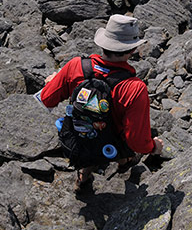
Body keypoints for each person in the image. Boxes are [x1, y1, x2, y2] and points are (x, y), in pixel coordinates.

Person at [39, 14, 164, 192]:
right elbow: (136, 141)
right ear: (132, 50)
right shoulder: (134, 88)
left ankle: (84, 174)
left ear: (103, 43)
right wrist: (153, 147)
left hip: (76, 139)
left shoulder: (75, 66)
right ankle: (123, 161)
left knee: (88, 137)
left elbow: (47, 99)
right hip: (110, 145)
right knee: (119, 140)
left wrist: (52, 81)